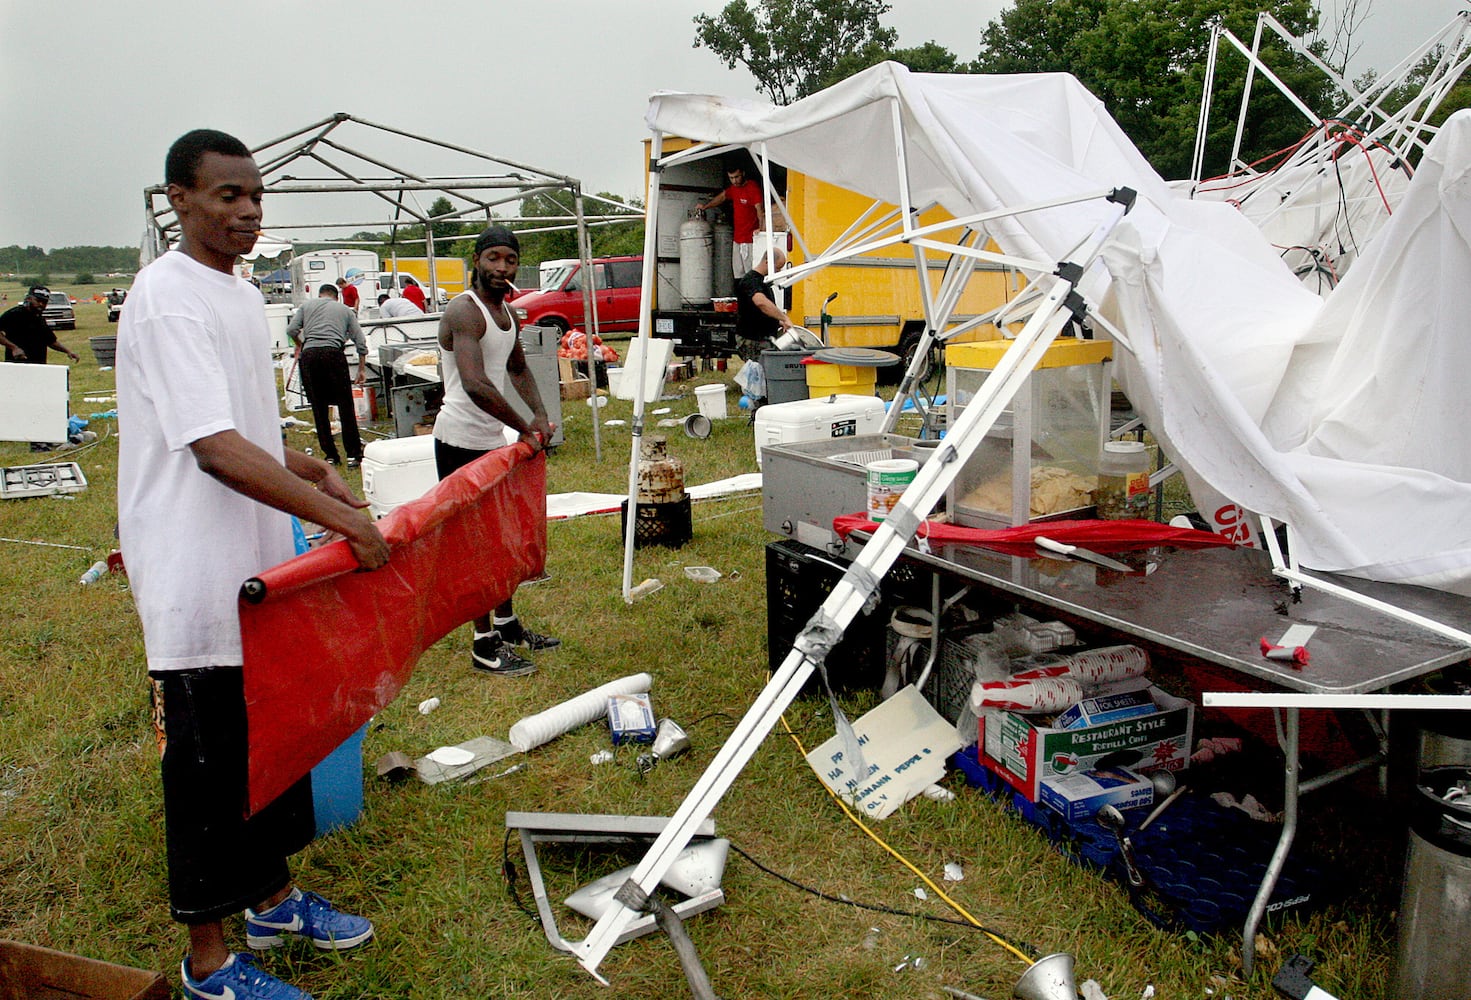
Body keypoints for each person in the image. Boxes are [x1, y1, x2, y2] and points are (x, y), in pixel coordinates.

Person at [116, 128, 390, 1000]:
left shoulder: (236, 295)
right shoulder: (167, 297)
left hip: (261, 566)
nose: (246, 211)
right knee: (204, 768)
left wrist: (304, 464)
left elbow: (245, 427)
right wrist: (342, 519)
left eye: (255, 196)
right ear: (177, 200)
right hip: (197, 570)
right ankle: (207, 962)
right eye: (226, 195)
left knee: (268, 743)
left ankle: (272, 900)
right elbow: (211, 448)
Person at [435, 224, 559, 677]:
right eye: (493, 259)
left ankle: (506, 625)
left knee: (502, 537)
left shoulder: (507, 313)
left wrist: (542, 416)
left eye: (509, 259)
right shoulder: (464, 312)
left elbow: (518, 367)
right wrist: (525, 428)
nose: (501, 268)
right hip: (459, 442)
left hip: (492, 441)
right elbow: (475, 383)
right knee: (475, 547)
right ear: (477, 260)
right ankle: (483, 644)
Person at [286, 283, 368, 468]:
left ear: (320, 295)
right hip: (333, 354)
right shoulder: (345, 310)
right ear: (336, 296)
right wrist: (361, 369)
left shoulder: (306, 306)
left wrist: (301, 344)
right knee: (345, 405)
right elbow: (360, 340)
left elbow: (291, 330)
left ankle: (331, 455)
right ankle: (353, 455)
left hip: (310, 356)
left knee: (318, 405)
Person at [0, 285, 81, 451]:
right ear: (29, 298)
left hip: (39, 367)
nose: (42, 305)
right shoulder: (14, 315)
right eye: (38, 301)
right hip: (19, 367)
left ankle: (44, 437)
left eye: (44, 303)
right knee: (26, 403)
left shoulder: (39, 318)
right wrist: (13, 347)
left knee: (40, 402)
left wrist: (68, 351)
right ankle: (35, 442)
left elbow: (50, 341)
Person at [695, 163, 768, 279]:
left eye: (737, 177)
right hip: (737, 239)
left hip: (750, 239)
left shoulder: (752, 188)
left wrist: (762, 229)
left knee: (751, 273)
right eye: (731, 178)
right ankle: (741, 296)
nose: (734, 181)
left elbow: (760, 210)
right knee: (738, 274)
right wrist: (705, 207)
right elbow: (722, 197)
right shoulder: (733, 189)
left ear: (743, 174)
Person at [734, 245, 793, 359]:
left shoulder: (764, 282)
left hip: (762, 337)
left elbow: (758, 311)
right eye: (777, 268)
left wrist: (778, 321)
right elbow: (761, 303)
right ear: (767, 262)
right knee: (759, 372)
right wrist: (784, 318)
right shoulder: (751, 280)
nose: (778, 271)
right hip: (752, 339)